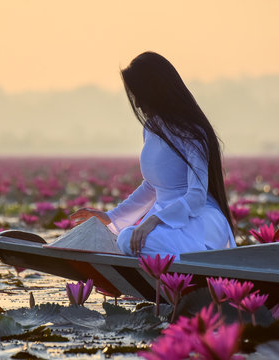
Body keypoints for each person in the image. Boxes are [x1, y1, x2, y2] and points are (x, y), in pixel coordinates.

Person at [70, 51, 236, 259]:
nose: (138, 105)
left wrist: (154, 220)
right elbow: (151, 186)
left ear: (155, 92)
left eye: (140, 96)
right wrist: (110, 217)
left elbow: (196, 196)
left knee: (128, 240)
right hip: (164, 222)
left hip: (198, 222)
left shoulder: (193, 133)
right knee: (127, 239)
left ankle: (192, 263)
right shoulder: (151, 128)